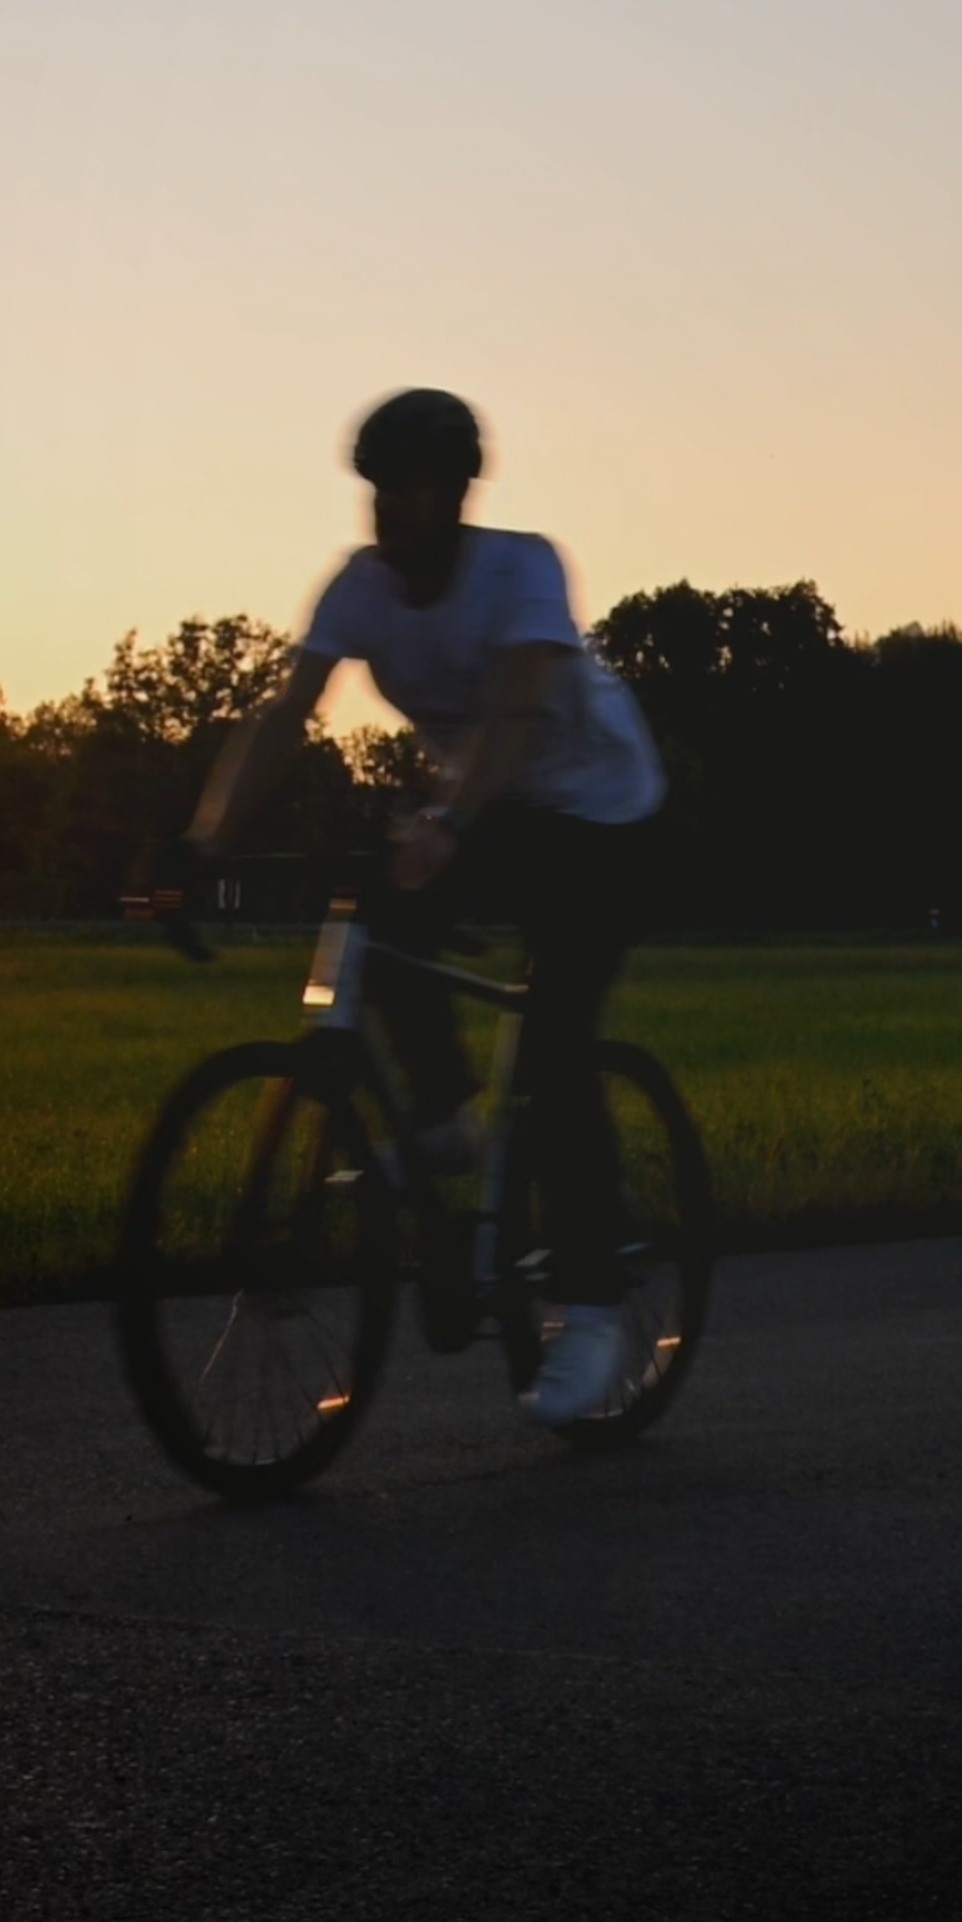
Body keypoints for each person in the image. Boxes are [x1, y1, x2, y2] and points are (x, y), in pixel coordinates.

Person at [180, 388, 665, 1427]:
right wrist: (202, 840)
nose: (382, 511)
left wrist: (445, 815)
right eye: (374, 491)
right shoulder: (360, 589)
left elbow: (521, 703)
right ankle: (444, 1117)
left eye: (402, 489)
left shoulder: (522, 569)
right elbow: (283, 717)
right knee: (376, 909)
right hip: (492, 805)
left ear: (453, 494)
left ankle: (591, 1307)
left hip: (602, 810)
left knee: (555, 1041)